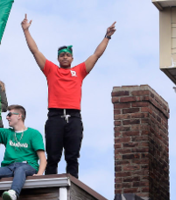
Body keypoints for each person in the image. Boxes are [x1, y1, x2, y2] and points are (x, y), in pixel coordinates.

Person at [22, 14, 116, 178]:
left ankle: (73, 186)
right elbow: (35, 50)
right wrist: (26, 31)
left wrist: (107, 36)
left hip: (73, 117)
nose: (65, 57)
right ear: (58, 58)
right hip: (55, 117)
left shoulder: (79, 71)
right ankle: (49, 185)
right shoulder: (51, 70)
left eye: (67, 55)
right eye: (61, 55)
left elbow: (96, 55)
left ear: (72, 58)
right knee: (53, 156)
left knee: (72, 156)